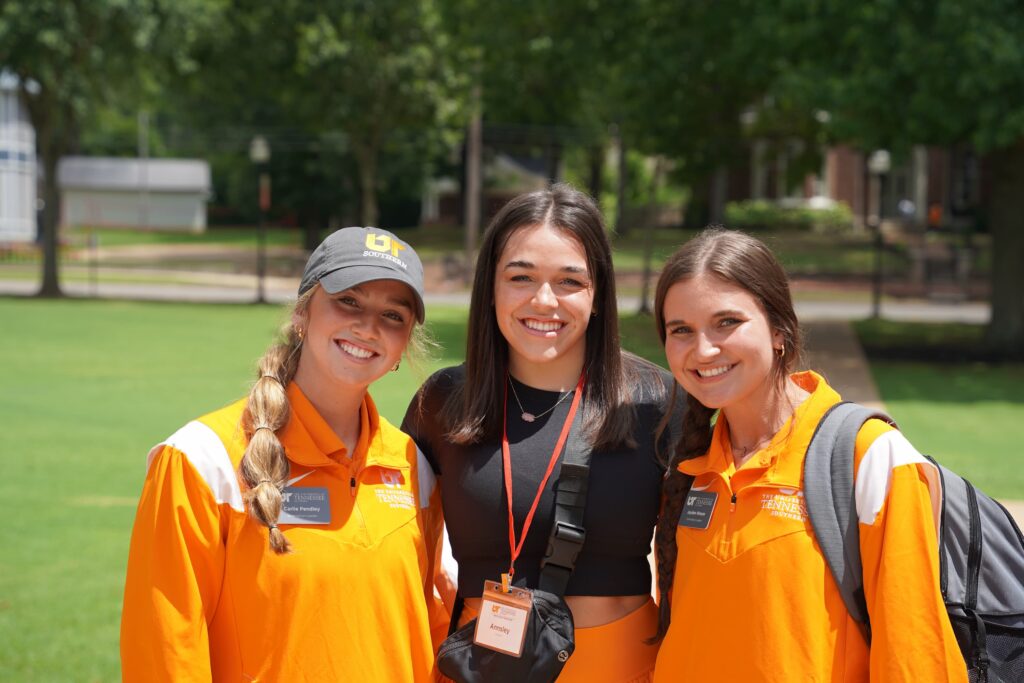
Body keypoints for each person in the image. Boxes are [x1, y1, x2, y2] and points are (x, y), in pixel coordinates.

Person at [120, 227, 445, 682]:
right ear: (302, 312)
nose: (368, 326)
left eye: (393, 314)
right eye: (348, 300)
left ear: (403, 344)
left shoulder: (413, 465)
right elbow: (165, 651)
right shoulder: (201, 459)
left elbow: (435, 634)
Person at [650, 227, 966, 681]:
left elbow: (915, 654)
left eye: (727, 322)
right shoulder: (688, 463)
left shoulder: (868, 456)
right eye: (682, 330)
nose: (703, 350)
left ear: (779, 331)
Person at [403, 184, 681, 682]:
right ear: (490, 287)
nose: (544, 300)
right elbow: (399, 559)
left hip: (618, 666)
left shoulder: (656, 401)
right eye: (521, 276)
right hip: (479, 666)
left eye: (570, 281)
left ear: (598, 295)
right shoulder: (442, 401)